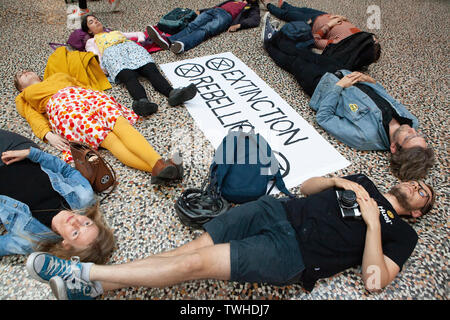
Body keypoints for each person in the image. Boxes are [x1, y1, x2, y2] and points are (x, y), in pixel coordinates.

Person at [25, 173, 435, 299]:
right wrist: (338, 179)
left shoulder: (401, 235)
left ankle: (86, 273)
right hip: (276, 209)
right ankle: (95, 290)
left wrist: (371, 223)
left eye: (423, 194)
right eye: (419, 183)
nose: (417, 186)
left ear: (416, 212)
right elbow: (307, 188)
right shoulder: (362, 181)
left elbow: (374, 282)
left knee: (192, 266)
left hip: (293, 250)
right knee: (188, 249)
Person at [262, 20, 435, 181]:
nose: (413, 131)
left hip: (321, 85)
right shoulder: (412, 122)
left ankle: (269, 42)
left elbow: (324, 118)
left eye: (409, 137)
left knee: (292, 61)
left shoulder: (365, 137)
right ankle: (278, 37)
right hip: (343, 72)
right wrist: (370, 81)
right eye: (418, 135)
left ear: (394, 148)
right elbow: (389, 99)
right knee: (304, 54)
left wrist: (339, 87)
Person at [14, 70, 183, 184]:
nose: (25, 72)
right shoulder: (24, 96)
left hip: (87, 97)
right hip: (64, 109)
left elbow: (82, 85)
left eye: (27, 71)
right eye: (20, 75)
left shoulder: (57, 76)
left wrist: (99, 94)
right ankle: (160, 165)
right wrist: (47, 134)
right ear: (21, 87)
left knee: (119, 123)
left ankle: (162, 170)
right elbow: (32, 116)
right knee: (109, 140)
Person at [0, 129, 114, 264]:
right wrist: (31, 154)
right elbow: (65, 170)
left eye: (75, 233)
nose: (76, 222)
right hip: (17, 151)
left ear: (66, 244)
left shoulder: (31, 240)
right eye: (87, 223)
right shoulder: (83, 197)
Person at [81, 14, 198, 116]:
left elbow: (137, 34)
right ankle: (142, 103)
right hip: (114, 56)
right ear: (89, 31)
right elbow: (95, 56)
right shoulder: (91, 41)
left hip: (133, 50)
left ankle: (172, 94)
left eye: (96, 19)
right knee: (128, 77)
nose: (96, 21)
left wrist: (141, 40)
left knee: (151, 70)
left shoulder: (116, 32)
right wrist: (105, 68)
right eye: (91, 22)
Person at [146, 0, 261, 54]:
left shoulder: (252, 7)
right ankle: (168, 40)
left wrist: (239, 25)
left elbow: (255, 20)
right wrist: (201, 11)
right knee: (193, 25)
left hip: (226, 17)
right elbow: (218, 6)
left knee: (205, 29)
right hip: (214, 11)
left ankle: (182, 45)